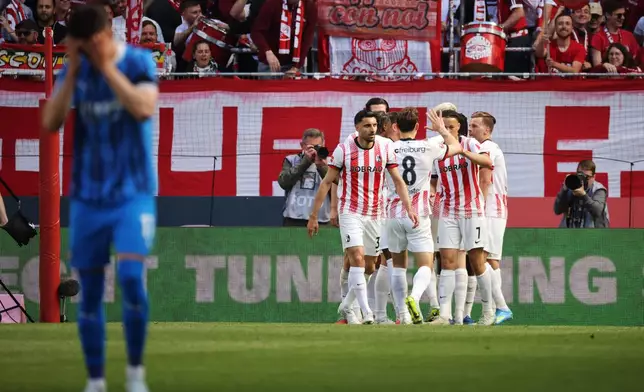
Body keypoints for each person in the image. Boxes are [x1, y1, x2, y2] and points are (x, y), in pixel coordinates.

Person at [41, 4, 158, 392]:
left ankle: (136, 374)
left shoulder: (138, 61)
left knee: (130, 277)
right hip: (89, 197)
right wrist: (73, 70)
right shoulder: (77, 71)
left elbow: (144, 108)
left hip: (132, 194)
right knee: (89, 292)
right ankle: (95, 381)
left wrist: (106, 68)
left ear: (107, 33)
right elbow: (50, 121)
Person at [307, 109, 418, 325]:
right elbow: (327, 182)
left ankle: (347, 305)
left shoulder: (385, 147)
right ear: (357, 127)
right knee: (356, 257)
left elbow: (397, 180)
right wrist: (313, 216)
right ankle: (366, 312)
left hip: (376, 213)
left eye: (375, 126)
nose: (372, 130)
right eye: (367, 126)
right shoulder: (344, 149)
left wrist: (409, 207)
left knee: (369, 266)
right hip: (351, 211)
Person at [386, 108, 462, 324]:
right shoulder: (429, 146)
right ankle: (415, 297)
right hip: (418, 214)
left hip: (392, 213)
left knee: (398, 266)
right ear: (418, 127)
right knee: (426, 265)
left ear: (396, 127)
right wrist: (442, 130)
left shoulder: (388, 148)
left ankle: (403, 316)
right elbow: (456, 147)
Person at [430, 110, 496, 326]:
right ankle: (444, 315)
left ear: (459, 128)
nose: (446, 130)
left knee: (477, 263)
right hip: (448, 210)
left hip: (472, 210)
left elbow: (486, 162)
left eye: (450, 127)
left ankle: (488, 311)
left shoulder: (470, 144)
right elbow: (432, 178)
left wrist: (462, 152)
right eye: (443, 127)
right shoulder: (436, 149)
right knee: (447, 262)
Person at [467, 111, 513, 325]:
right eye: (470, 125)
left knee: (486, 259)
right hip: (495, 209)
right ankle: (497, 309)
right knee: (489, 259)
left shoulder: (487, 148)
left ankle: (501, 308)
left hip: (490, 209)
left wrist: (479, 208)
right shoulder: (487, 148)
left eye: (475, 126)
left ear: (487, 130)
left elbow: (485, 181)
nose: (470, 129)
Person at [554, 160, 609, 228]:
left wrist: (583, 195)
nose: (583, 180)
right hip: (571, 234)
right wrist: (564, 189)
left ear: (594, 177)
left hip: (593, 235)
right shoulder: (571, 187)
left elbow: (597, 211)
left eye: (587, 177)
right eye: (581, 175)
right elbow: (557, 210)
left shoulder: (598, 189)